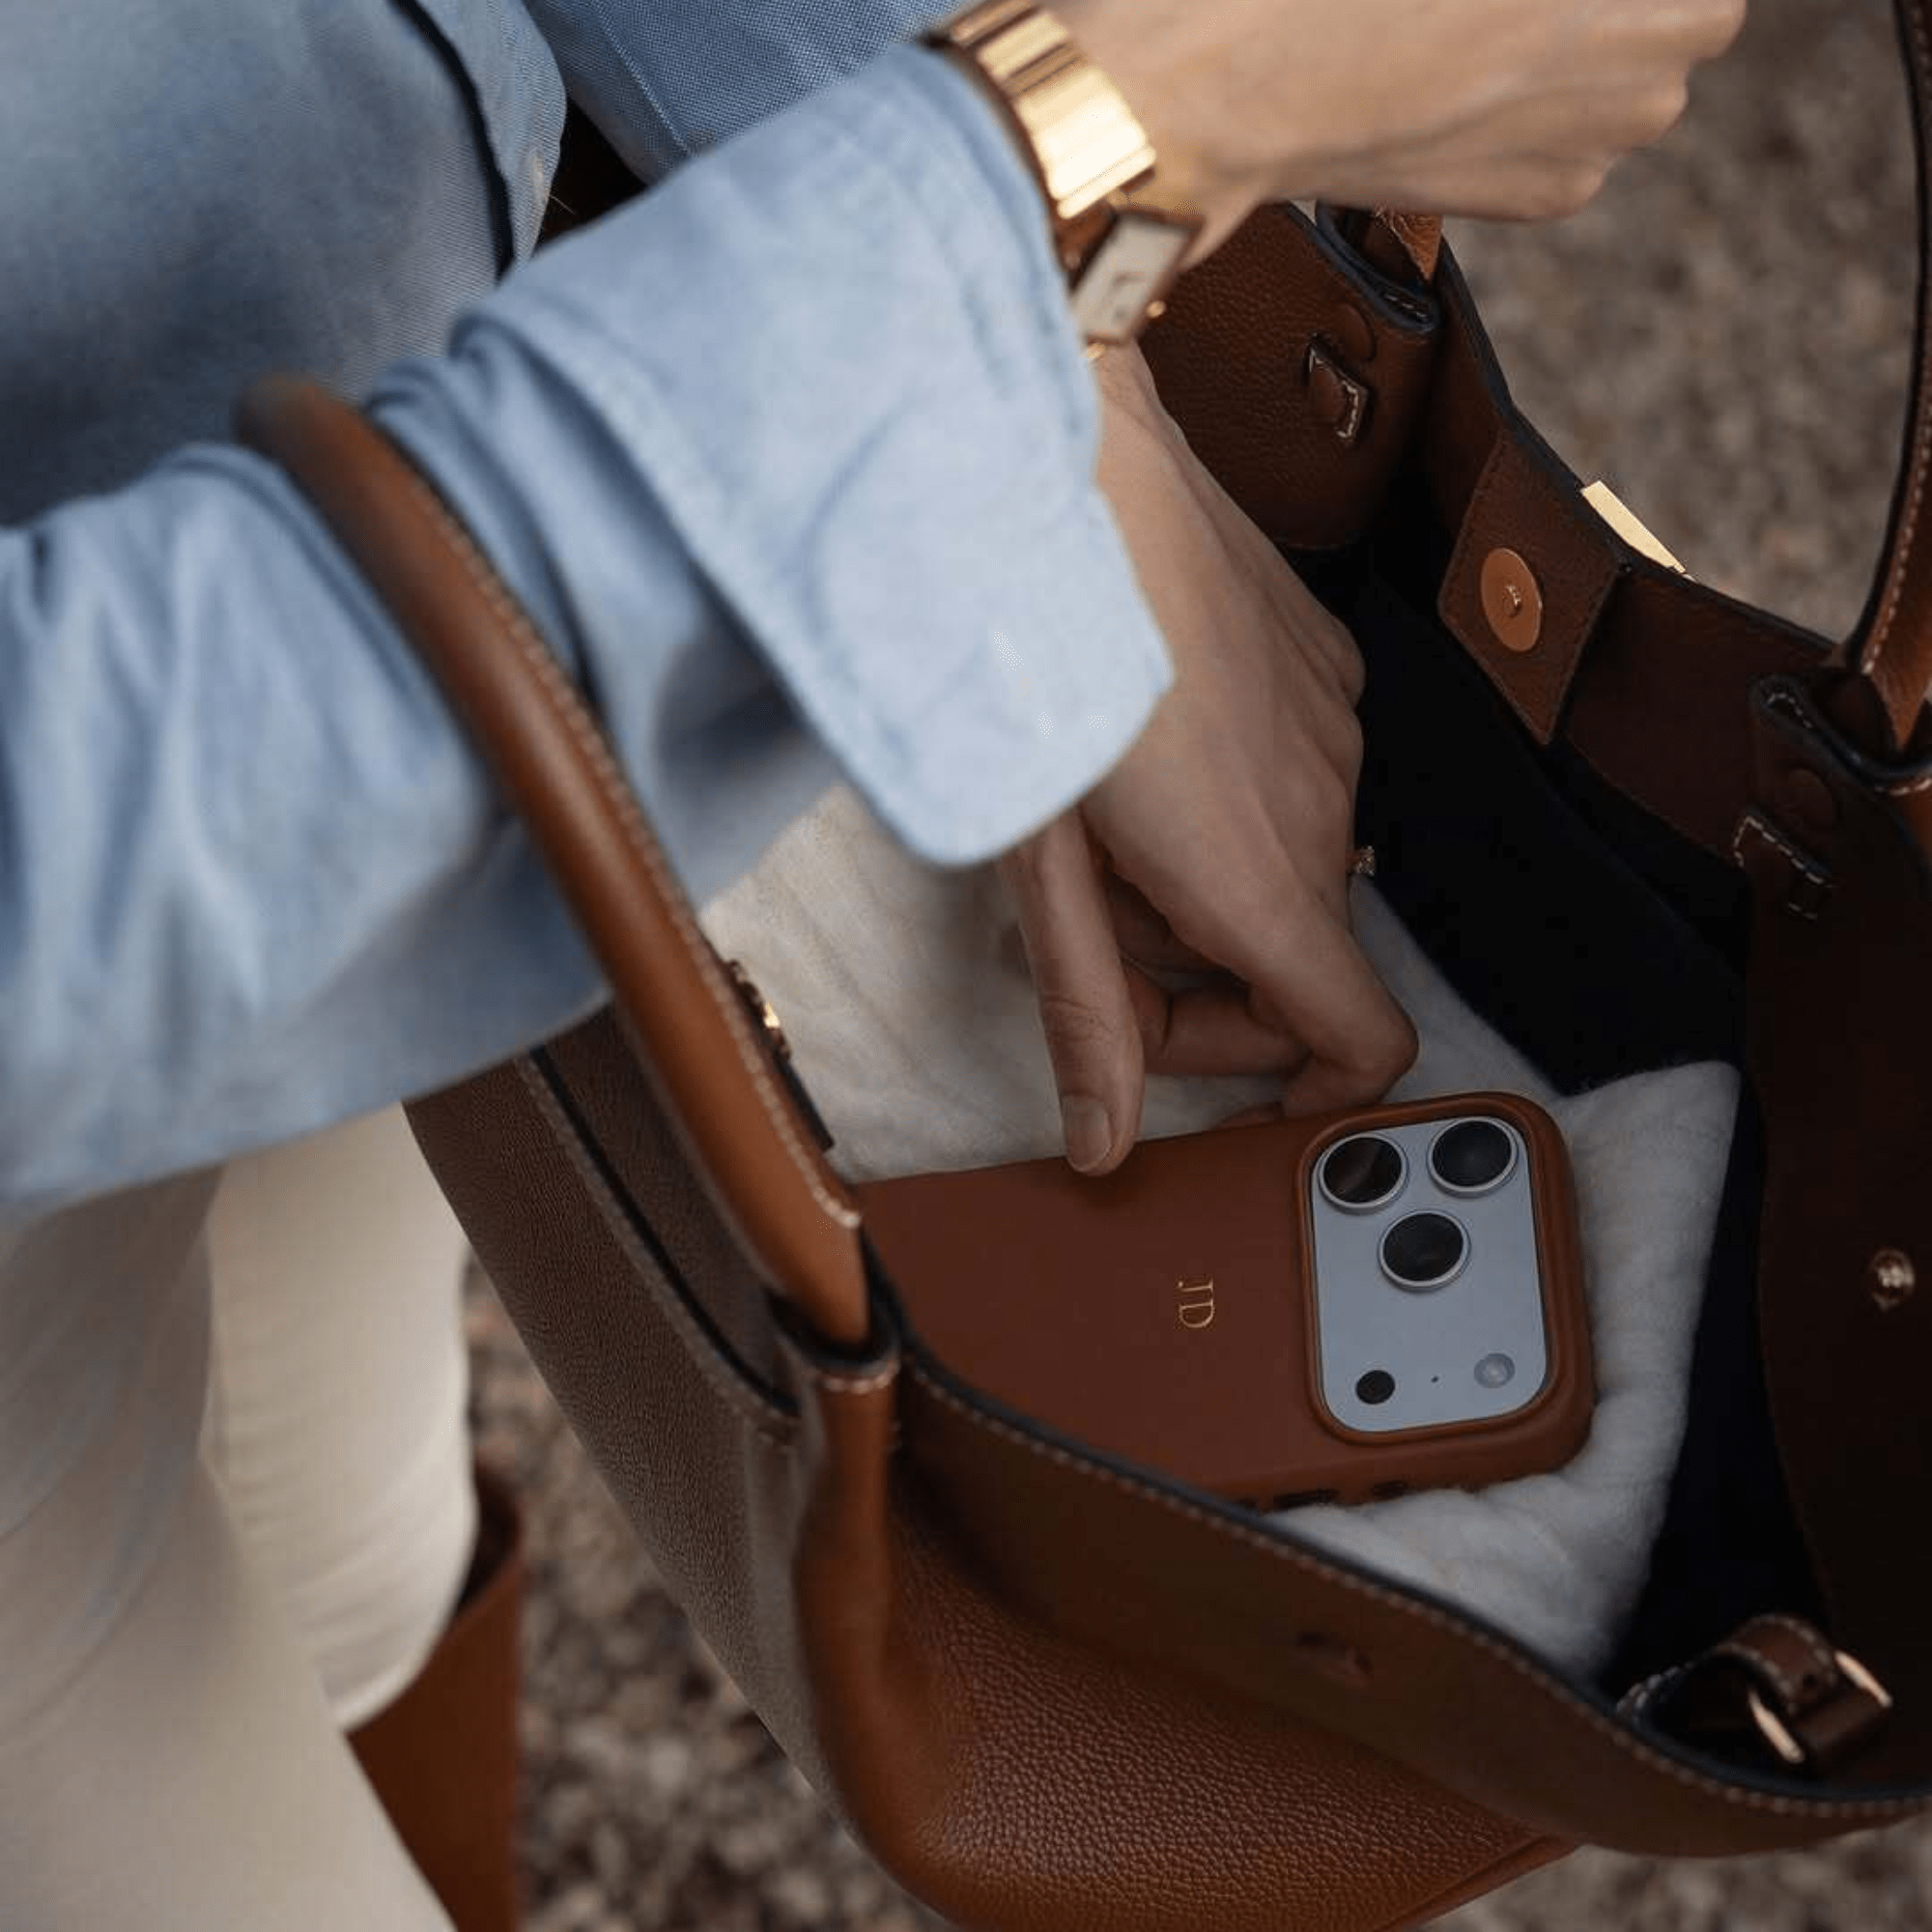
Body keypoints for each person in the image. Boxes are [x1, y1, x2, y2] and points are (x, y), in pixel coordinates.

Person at [0, 1, 1746, 1925]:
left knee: (337, 1482)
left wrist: (1047, 372)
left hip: (380, 358)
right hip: (179, 809)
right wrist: (1046, 219)